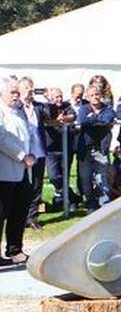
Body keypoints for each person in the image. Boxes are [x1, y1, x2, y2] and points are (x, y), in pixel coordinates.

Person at [0, 77, 38, 265]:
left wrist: (31, 156)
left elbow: (29, 136)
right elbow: (2, 139)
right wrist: (22, 155)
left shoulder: (19, 111)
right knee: (1, 213)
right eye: (12, 92)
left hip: (24, 170)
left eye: (17, 92)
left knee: (19, 212)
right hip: (5, 171)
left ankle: (15, 249)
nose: (16, 96)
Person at [76, 85, 116, 210]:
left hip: (100, 148)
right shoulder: (83, 108)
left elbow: (107, 119)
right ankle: (90, 204)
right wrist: (96, 117)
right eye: (92, 95)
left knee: (102, 177)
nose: (95, 97)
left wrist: (91, 118)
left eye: (97, 95)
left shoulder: (107, 108)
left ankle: (105, 204)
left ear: (101, 95)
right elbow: (82, 121)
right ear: (87, 97)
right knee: (86, 179)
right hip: (85, 149)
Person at [17, 78, 47, 231]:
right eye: (26, 87)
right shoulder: (16, 106)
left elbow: (50, 114)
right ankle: (18, 216)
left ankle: (32, 217)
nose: (30, 89)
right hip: (22, 152)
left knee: (36, 186)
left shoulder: (38, 107)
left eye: (31, 87)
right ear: (20, 89)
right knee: (21, 185)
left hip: (38, 151)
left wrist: (48, 97)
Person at [42, 87, 78, 213]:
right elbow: (45, 119)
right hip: (51, 148)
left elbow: (73, 115)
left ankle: (66, 201)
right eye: (56, 97)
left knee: (65, 176)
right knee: (53, 176)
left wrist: (64, 119)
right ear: (51, 97)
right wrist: (56, 121)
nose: (59, 99)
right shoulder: (45, 107)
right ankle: (73, 197)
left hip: (65, 147)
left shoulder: (67, 106)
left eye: (60, 96)